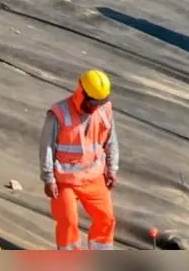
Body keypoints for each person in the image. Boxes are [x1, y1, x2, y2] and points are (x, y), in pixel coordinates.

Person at [40, 69, 119, 250]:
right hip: (64, 180)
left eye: (99, 103)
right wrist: (48, 179)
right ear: (81, 92)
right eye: (92, 103)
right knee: (68, 221)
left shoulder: (104, 109)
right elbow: (47, 148)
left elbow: (111, 140)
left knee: (106, 219)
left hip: (93, 177)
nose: (95, 108)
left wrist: (112, 168)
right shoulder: (59, 113)